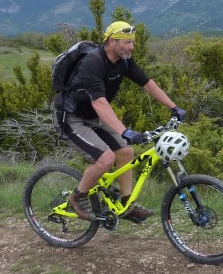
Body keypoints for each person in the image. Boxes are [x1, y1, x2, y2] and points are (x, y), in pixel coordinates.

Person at [54, 21, 186, 223]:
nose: (132, 47)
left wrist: (173, 107)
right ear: (111, 41)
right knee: (105, 159)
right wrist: (125, 131)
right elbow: (99, 103)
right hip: (72, 117)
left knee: (126, 152)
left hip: (95, 115)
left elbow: (147, 83)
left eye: (133, 42)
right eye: (127, 42)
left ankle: (126, 204)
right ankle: (77, 197)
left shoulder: (124, 61)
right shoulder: (93, 62)